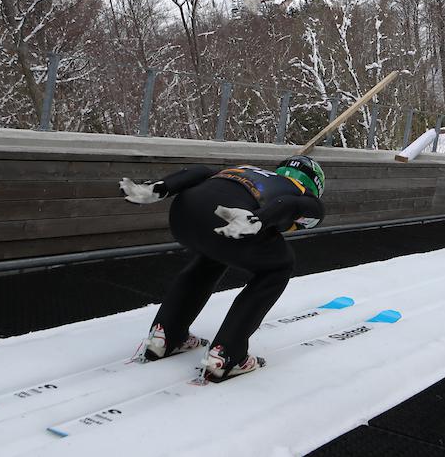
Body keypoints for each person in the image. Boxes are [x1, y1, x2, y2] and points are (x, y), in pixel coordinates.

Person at [118, 156, 326, 382]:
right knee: (279, 266)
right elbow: (294, 206)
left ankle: (167, 335)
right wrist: (260, 219)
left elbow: (202, 171)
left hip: (184, 212)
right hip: (234, 217)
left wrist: (164, 186)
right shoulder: (302, 192)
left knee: (212, 256)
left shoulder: (246, 169)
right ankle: (228, 355)